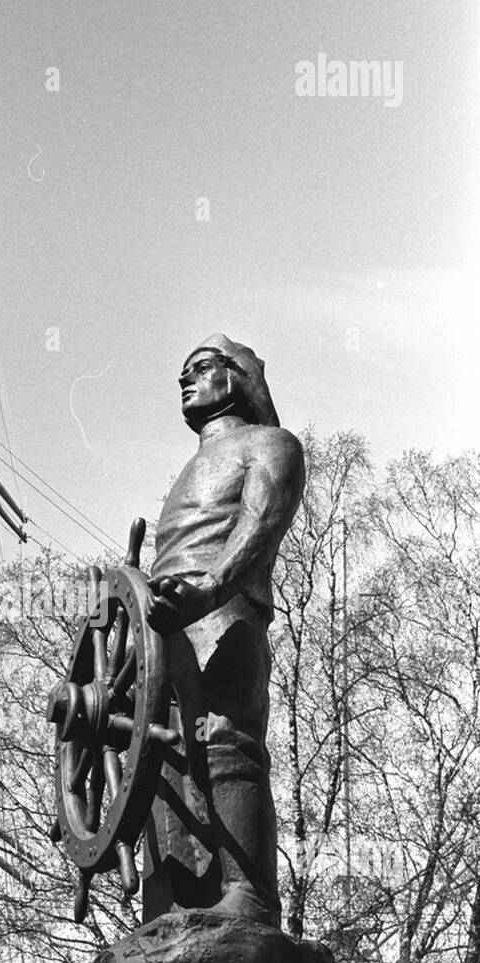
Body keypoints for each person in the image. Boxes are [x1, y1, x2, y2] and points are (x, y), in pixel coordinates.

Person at [142, 334, 304, 928]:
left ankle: (249, 894)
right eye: (182, 374)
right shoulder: (192, 466)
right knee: (158, 754)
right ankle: (172, 899)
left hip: (225, 611)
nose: (185, 381)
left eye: (200, 369)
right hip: (163, 628)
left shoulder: (271, 444)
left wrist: (211, 589)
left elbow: (262, 523)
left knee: (224, 739)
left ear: (235, 377)